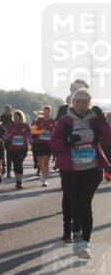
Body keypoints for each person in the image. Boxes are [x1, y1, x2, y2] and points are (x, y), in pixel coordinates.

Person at [51, 88, 111, 260]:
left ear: (90, 103)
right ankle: (75, 232)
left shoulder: (95, 119)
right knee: (75, 204)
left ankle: (84, 243)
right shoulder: (64, 120)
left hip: (92, 169)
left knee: (85, 204)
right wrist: (67, 141)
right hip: (70, 170)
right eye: (78, 101)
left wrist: (103, 121)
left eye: (85, 102)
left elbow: (109, 138)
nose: (82, 105)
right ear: (73, 102)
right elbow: (53, 143)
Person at [2, 110, 32, 190]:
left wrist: (31, 142)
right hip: (13, 148)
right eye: (14, 117)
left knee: (19, 163)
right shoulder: (10, 126)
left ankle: (20, 181)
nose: (15, 118)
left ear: (21, 117)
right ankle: (17, 181)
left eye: (16, 117)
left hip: (22, 148)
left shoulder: (25, 126)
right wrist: (4, 138)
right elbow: (6, 135)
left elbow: (29, 136)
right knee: (15, 165)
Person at [31, 105, 56, 187]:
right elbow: (33, 131)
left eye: (48, 112)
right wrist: (41, 131)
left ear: (50, 112)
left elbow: (56, 132)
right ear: (43, 112)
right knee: (40, 162)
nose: (47, 113)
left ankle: (45, 180)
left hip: (49, 144)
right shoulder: (39, 120)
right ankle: (43, 173)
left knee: (46, 161)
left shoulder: (53, 121)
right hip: (40, 143)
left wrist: (52, 134)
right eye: (45, 112)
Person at [0, 105, 14, 178]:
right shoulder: (0, 118)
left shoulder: (13, 118)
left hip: (10, 139)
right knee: (2, 155)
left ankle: (8, 171)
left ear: (11, 110)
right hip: (2, 139)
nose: (7, 111)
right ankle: (3, 168)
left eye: (8, 110)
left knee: (9, 156)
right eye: (6, 110)